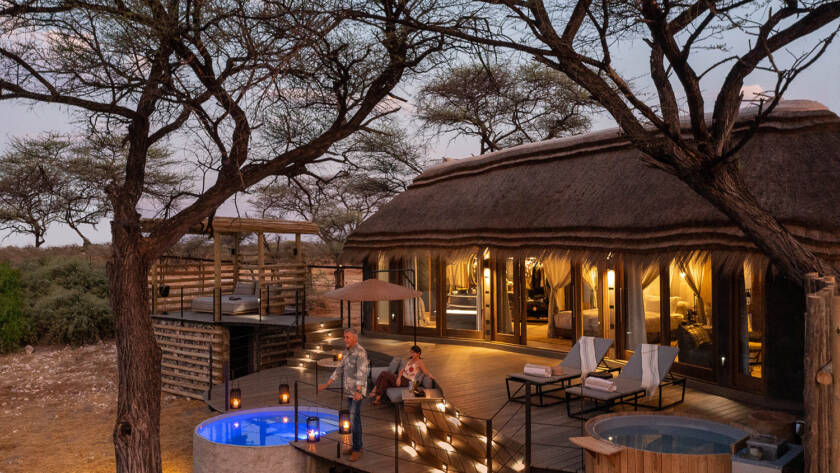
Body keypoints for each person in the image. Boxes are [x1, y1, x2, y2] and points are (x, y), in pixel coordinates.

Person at [318, 327, 368, 461]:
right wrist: (327, 383)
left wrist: (358, 390)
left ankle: (357, 450)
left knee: (354, 419)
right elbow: (339, 368)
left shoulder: (361, 352)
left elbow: (362, 373)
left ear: (355, 338)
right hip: (349, 391)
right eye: (344, 337)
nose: (345, 340)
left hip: (357, 392)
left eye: (348, 337)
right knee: (354, 419)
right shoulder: (346, 351)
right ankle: (357, 446)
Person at [369, 345, 434, 405]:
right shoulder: (409, 360)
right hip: (401, 378)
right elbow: (402, 370)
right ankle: (377, 399)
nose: (412, 354)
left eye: (414, 353)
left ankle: (374, 390)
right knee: (385, 380)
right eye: (411, 352)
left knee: (384, 373)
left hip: (407, 381)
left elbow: (425, 372)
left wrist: (430, 375)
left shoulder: (420, 362)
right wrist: (399, 378)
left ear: (419, 353)